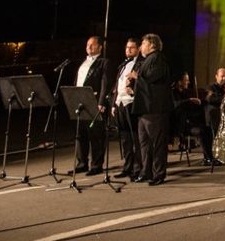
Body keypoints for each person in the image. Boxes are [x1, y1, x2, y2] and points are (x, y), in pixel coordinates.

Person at [130, 33, 173, 185]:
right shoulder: (147, 59)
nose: (141, 46)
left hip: (155, 109)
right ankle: (145, 172)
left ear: (152, 45)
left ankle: (158, 174)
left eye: (143, 44)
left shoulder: (158, 58)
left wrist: (137, 77)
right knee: (144, 144)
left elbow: (153, 78)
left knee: (157, 144)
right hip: (145, 109)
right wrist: (134, 90)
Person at [69, 36, 112, 176]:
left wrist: (101, 102)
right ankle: (82, 163)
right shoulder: (83, 63)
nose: (89, 47)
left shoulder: (104, 62)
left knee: (96, 134)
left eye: (92, 45)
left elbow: (105, 84)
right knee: (80, 134)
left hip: (94, 101)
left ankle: (96, 164)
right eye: (87, 45)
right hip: (80, 102)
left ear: (100, 47)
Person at [110, 37, 141, 179]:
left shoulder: (140, 64)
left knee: (135, 137)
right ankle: (127, 167)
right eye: (127, 48)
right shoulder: (123, 65)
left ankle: (137, 168)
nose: (128, 50)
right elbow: (117, 86)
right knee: (125, 138)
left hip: (132, 103)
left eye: (131, 48)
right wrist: (113, 104)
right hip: (120, 103)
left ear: (138, 49)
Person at [204, 67, 225, 165]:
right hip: (213, 116)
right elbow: (210, 99)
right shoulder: (210, 87)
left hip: (222, 115)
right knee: (216, 135)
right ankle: (215, 157)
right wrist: (224, 98)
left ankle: (223, 155)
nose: (224, 78)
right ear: (216, 76)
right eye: (222, 76)